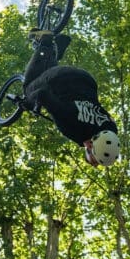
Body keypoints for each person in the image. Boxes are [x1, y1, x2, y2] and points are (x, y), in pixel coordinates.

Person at [22, 30, 121, 167]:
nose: (95, 165)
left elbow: (110, 119)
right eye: (95, 161)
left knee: (56, 87)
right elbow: (42, 94)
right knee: (29, 90)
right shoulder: (73, 131)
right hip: (60, 77)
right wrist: (29, 103)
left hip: (86, 80)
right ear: (89, 146)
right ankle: (44, 41)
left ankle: (58, 48)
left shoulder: (111, 129)